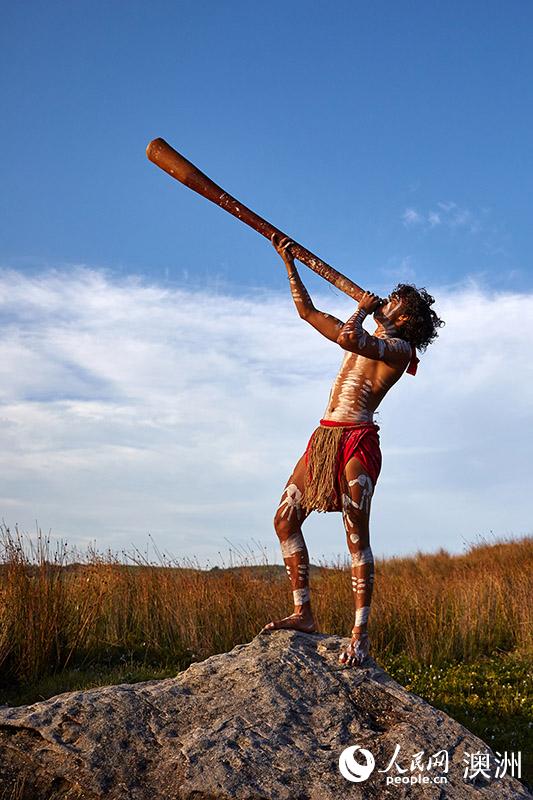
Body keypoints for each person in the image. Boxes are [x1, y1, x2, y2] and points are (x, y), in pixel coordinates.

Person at [262, 234, 444, 667]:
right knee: (285, 521)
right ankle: (304, 613)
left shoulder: (398, 350)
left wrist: (362, 307)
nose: (386, 301)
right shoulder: (370, 330)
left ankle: (359, 635)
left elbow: (349, 337)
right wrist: (289, 263)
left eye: (394, 302)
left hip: (357, 440)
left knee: (356, 535)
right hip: (325, 437)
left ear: (406, 318)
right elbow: (309, 314)